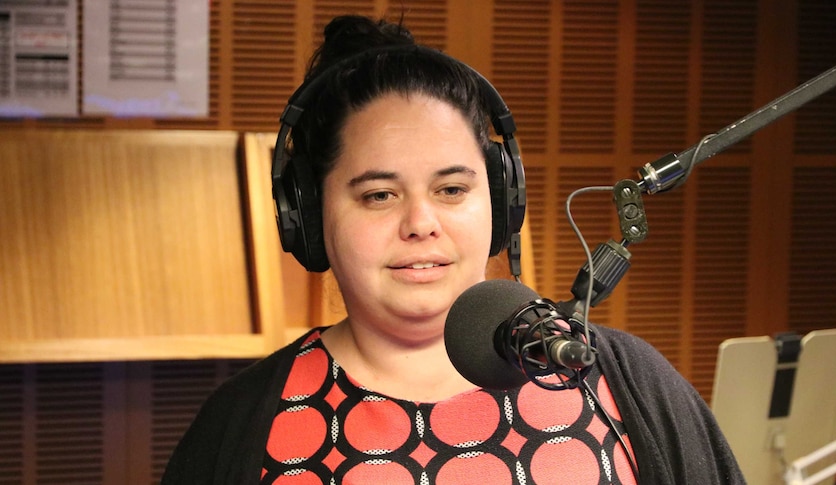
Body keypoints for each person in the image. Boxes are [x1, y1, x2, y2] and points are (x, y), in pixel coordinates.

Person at [162, 14, 745, 485]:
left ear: (500, 204)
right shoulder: (239, 426)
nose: (422, 223)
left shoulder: (623, 380)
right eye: (379, 194)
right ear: (311, 220)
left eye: (451, 189)